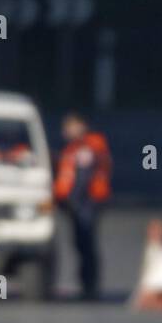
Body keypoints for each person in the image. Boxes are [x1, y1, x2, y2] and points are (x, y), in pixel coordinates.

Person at [54, 112, 112, 300]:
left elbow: (83, 177)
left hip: (86, 203)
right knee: (80, 243)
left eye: (70, 126)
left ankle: (89, 286)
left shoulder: (88, 147)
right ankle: (87, 284)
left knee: (86, 243)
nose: (66, 131)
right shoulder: (74, 148)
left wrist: (72, 201)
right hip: (80, 204)